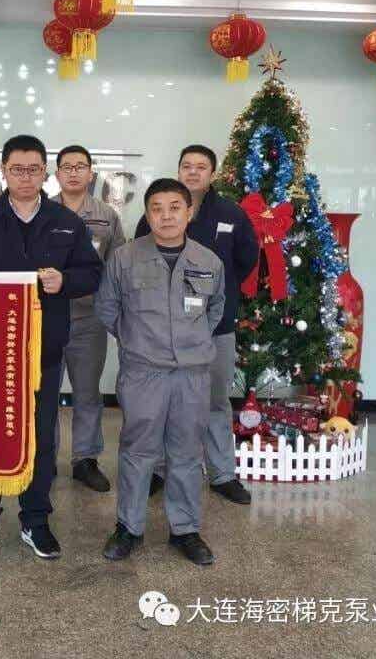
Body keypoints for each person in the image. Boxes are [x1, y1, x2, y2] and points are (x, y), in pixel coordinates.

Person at [0, 135, 102, 560]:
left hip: (43, 350)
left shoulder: (65, 221)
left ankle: (36, 520)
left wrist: (64, 281)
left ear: (45, 173)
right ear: (3, 172)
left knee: (40, 437)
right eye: (17, 169)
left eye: (33, 170)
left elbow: (92, 273)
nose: (25, 177)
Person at [97, 178, 225, 565]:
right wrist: (138, 342)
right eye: (157, 208)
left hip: (192, 375)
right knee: (137, 451)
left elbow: (215, 311)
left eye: (174, 207)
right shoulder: (124, 258)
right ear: (147, 214)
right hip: (144, 373)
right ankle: (128, 527)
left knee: (186, 452)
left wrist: (189, 344)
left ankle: (185, 530)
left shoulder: (208, 261)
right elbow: (107, 308)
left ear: (190, 212)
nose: (166, 216)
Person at [134, 145, 259, 505]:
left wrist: (223, 291)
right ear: (178, 170)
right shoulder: (158, 213)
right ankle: (157, 470)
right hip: (163, 332)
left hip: (215, 329)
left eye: (201, 167)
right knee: (160, 403)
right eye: (186, 166)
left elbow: (247, 258)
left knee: (216, 401)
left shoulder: (231, 214)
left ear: (212, 174)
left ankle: (222, 474)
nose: (192, 172)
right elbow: (138, 260)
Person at [53, 145, 126, 493]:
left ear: (91, 173)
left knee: (87, 392)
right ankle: (44, 458)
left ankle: (85, 458)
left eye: (80, 166)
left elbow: (117, 266)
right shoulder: (43, 211)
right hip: (47, 317)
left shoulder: (106, 215)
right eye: (66, 167)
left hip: (88, 319)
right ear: (56, 174)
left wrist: (110, 312)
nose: (73, 172)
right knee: (44, 392)